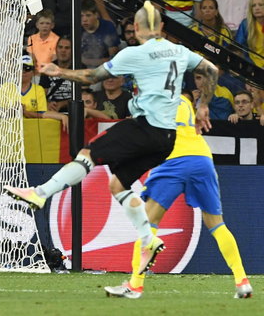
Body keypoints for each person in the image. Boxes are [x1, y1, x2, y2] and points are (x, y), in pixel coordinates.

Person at [6, 1, 218, 277]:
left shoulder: (135, 54)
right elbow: (211, 69)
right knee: (118, 184)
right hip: (167, 138)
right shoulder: (179, 51)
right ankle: (149, 240)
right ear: (162, 28)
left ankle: (41, 193)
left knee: (88, 154)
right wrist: (203, 105)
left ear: (138, 27)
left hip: (145, 127)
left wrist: (60, 72)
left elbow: (93, 75)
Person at [105, 92, 252, 299]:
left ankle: (135, 285)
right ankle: (242, 281)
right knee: (218, 225)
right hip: (201, 158)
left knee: (148, 225)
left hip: (173, 160)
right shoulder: (183, 100)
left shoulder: (150, 99)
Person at [234, 0, 264, 67]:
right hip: (250, 64)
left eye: (260, 5)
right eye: (253, 6)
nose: (257, 8)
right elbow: (238, 47)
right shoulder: (245, 24)